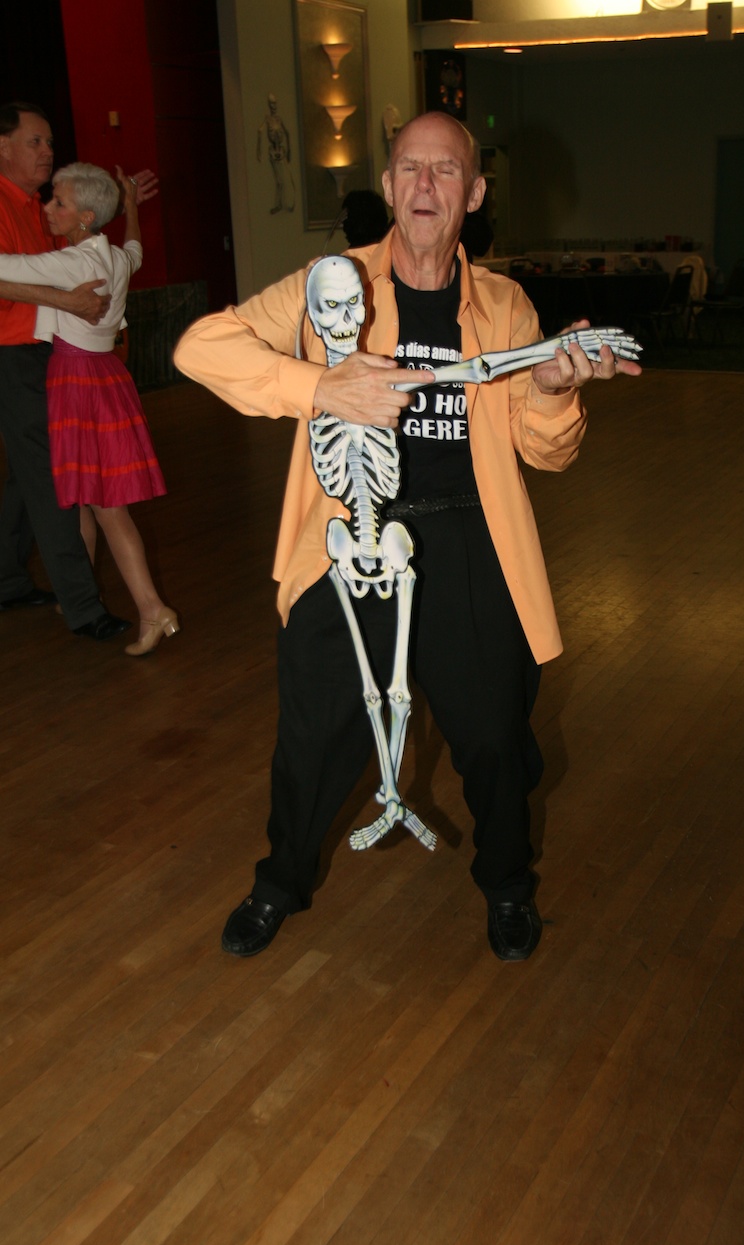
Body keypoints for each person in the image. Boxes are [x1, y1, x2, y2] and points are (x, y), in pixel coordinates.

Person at [174, 111, 641, 962]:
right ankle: (279, 881)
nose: (424, 186)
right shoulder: (332, 285)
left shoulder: (501, 306)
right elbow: (200, 349)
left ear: (473, 192)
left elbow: (548, 452)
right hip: (346, 537)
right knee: (315, 734)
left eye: (444, 171)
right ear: (388, 187)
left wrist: (549, 388)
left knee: (496, 736)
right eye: (408, 170)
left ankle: (506, 883)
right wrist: (321, 388)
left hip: (467, 536)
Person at [0, 162, 178, 657]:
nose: (47, 208)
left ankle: (152, 608)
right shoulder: (115, 256)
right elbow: (138, 251)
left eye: (57, 202)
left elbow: (3, 269)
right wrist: (134, 207)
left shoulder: (74, 262)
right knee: (82, 497)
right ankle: (79, 595)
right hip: (103, 380)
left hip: (77, 384)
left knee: (106, 507)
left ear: (83, 217)